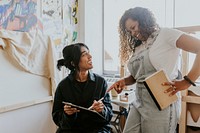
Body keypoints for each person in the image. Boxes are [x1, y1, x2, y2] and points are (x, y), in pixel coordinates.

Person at [107, 7, 200, 133]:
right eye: (129, 32)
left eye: (133, 27)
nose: (133, 33)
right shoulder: (138, 47)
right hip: (139, 102)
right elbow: (138, 76)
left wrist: (187, 81)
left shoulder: (166, 34)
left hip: (161, 104)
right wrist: (124, 81)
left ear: (143, 20)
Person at [52, 43, 113, 133]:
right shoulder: (63, 86)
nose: (90, 56)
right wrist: (67, 114)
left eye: (89, 53)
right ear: (73, 62)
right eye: (84, 54)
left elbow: (109, 115)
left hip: (96, 130)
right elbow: (57, 118)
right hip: (72, 129)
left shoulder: (100, 82)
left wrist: (102, 110)